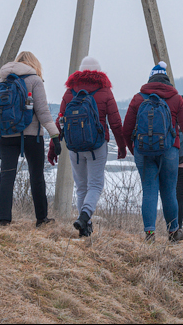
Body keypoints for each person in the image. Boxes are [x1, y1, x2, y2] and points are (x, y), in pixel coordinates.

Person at [122, 62, 183, 243]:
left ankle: (150, 233)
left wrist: (133, 149)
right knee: (169, 192)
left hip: (143, 151)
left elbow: (126, 130)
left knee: (149, 191)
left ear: (150, 78)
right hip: (169, 151)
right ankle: (173, 231)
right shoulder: (176, 99)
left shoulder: (138, 98)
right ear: (166, 79)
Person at [53, 56, 126, 237]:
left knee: (81, 187)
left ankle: (85, 228)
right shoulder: (105, 91)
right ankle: (85, 217)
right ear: (99, 72)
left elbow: (60, 121)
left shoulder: (70, 92)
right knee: (95, 185)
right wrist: (122, 146)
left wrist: (52, 147)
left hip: (75, 148)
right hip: (97, 146)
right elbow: (116, 122)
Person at [0, 51, 60, 227]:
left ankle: (4, 220)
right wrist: (55, 135)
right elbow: (43, 113)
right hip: (32, 136)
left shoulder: (1, 81)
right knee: (36, 176)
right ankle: (41, 219)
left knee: (6, 177)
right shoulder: (35, 80)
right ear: (33, 64)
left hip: (6, 135)